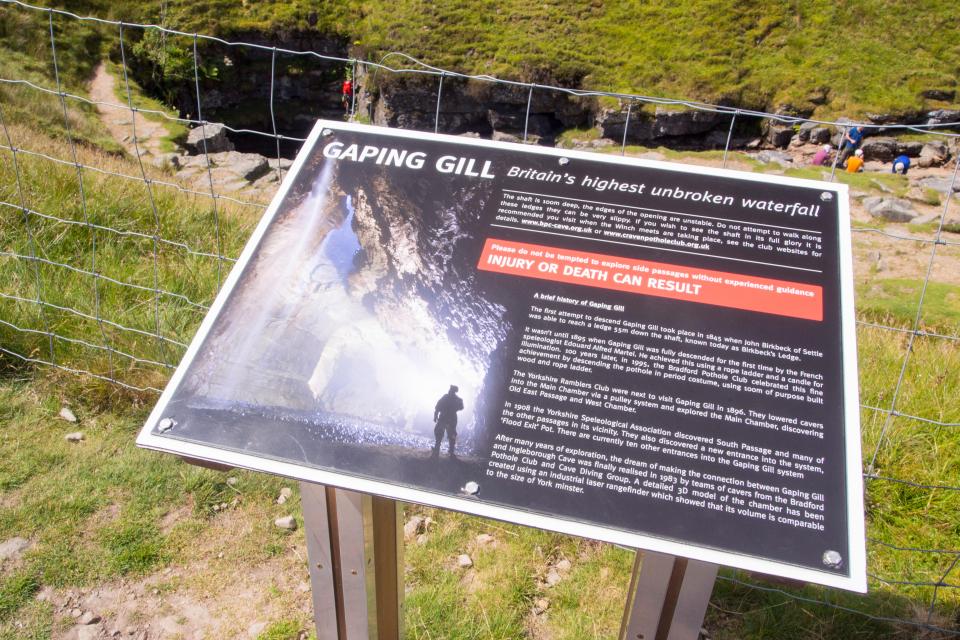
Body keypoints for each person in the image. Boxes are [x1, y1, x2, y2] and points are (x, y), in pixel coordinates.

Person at [431, 385, 464, 459]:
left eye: (451, 389)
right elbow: (461, 407)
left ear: (452, 390)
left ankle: (440, 450)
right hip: (450, 418)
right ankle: (448, 451)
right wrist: (435, 415)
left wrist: (435, 415)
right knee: (447, 434)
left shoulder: (447, 397)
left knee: (444, 434)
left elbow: (438, 407)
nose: (449, 390)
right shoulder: (456, 399)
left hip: (445, 417)